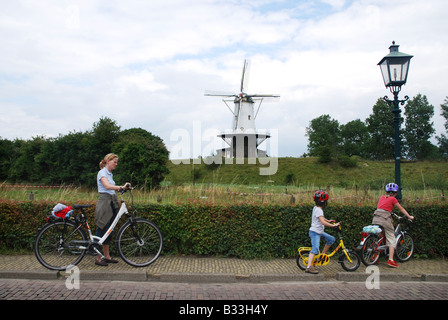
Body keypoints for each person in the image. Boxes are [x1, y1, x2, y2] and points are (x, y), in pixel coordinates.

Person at [94, 153, 130, 266]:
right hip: (105, 202)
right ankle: (98, 257)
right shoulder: (102, 173)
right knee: (102, 227)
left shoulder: (110, 174)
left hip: (112, 201)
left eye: (116, 162)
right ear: (108, 161)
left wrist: (124, 188)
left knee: (110, 229)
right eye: (114, 161)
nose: (116, 164)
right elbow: (107, 186)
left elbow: (111, 187)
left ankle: (107, 256)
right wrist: (121, 187)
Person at [372, 183, 414, 268]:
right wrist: (409, 216)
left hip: (376, 218)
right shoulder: (393, 199)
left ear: (386, 191)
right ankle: (391, 260)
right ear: (396, 193)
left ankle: (375, 256)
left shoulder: (381, 197)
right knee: (391, 238)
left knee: (379, 236)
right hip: (385, 219)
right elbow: (401, 208)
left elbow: (383, 207)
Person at [306, 190, 340, 274]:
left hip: (319, 232)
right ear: (324, 202)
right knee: (315, 248)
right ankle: (309, 267)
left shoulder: (316, 208)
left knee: (331, 239)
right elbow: (322, 222)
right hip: (315, 232)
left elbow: (321, 218)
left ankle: (321, 256)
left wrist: (328, 221)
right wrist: (333, 225)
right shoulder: (319, 210)